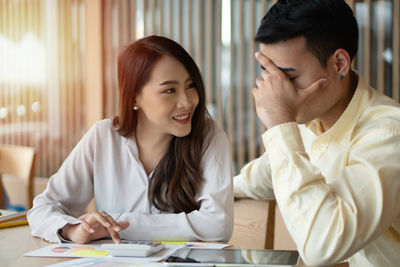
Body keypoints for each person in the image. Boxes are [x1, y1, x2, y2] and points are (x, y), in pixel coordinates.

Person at [234, 0, 400, 266]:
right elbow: (258, 179)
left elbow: (321, 248)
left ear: (339, 64)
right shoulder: (310, 124)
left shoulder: (388, 134)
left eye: (288, 77)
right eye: (268, 74)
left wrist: (279, 124)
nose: (277, 92)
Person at [28, 35, 233, 244]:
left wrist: (117, 224)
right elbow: (42, 209)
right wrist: (73, 230)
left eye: (190, 86)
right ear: (135, 97)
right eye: (170, 90)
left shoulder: (209, 137)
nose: (188, 101)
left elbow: (217, 225)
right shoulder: (103, 136)